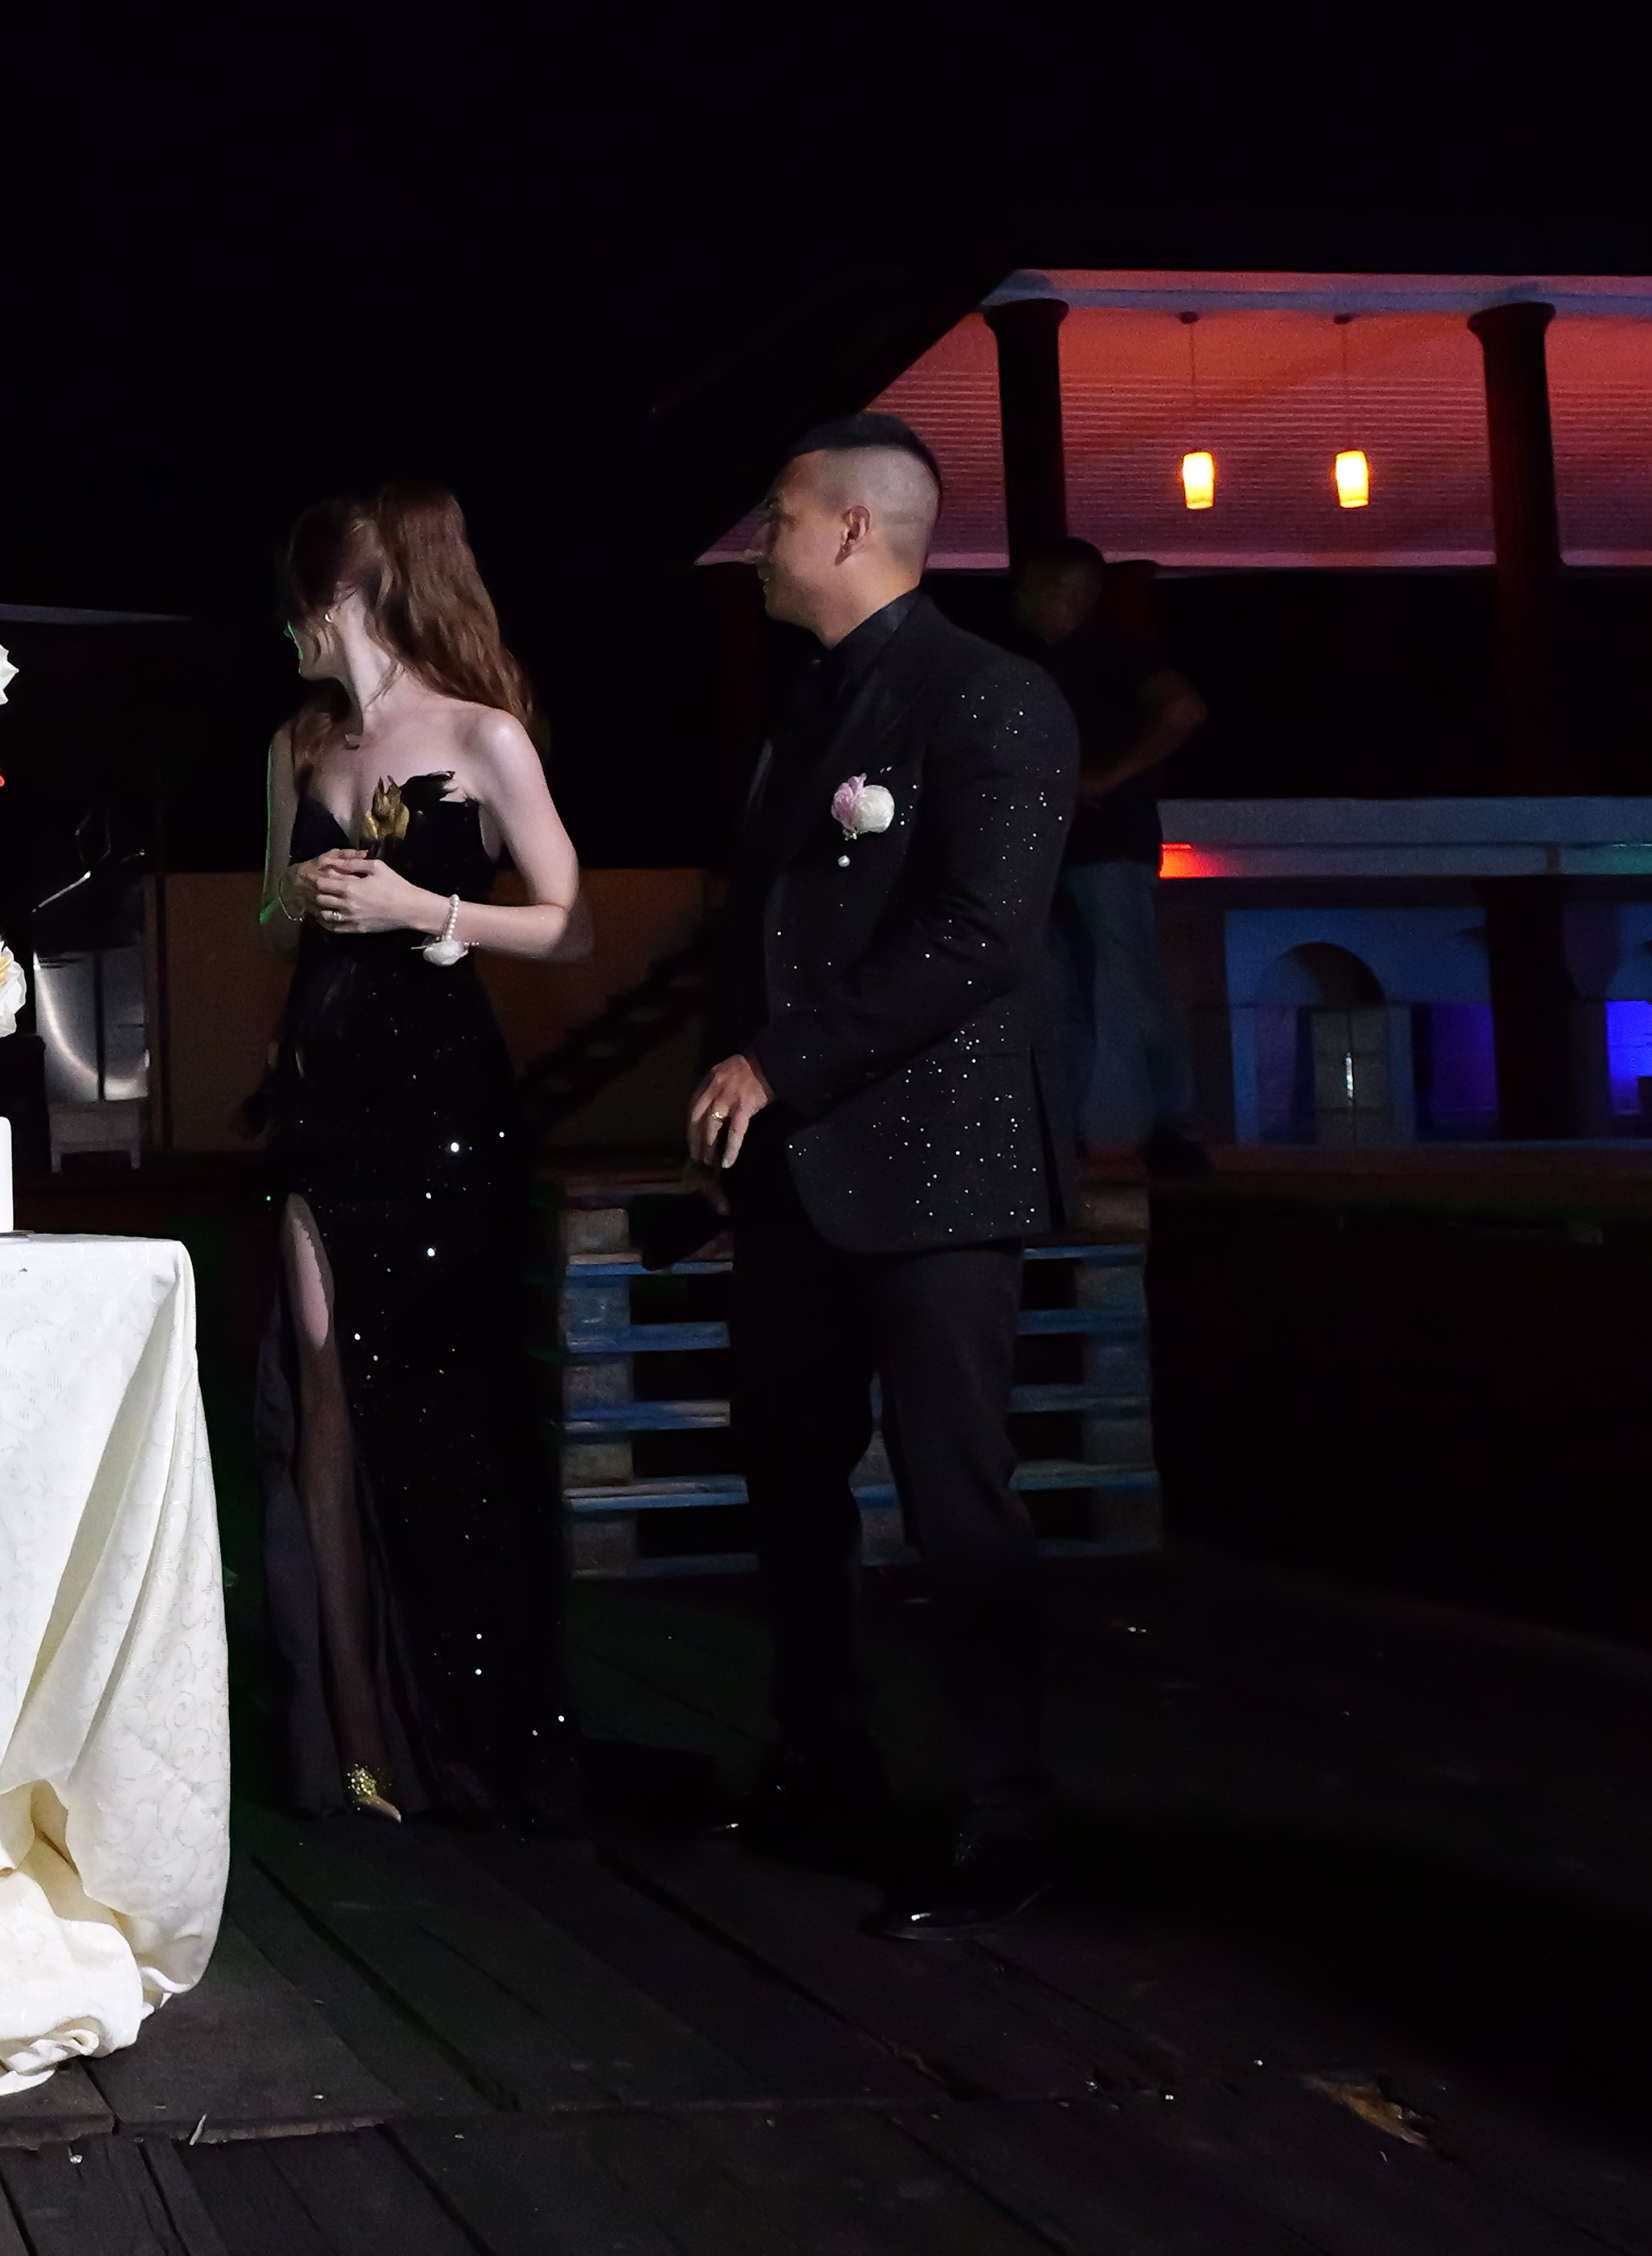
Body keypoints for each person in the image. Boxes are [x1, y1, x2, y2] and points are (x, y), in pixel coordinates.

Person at [689, 413, 1077, 1938]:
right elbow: (758, 936)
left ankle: (1009, 1815)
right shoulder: (804, 708)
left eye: (777, 516)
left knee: (954, 1495)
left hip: (938, 1172)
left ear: (852, 527)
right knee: (788, 1476)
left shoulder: (991, 695)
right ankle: (823, 1757)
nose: (755, 545)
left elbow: (983, 935)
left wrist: (777, 1065)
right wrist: (732, 1117)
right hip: (796, 1171)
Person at [252, 485, 599, 1829]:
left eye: (294, 603)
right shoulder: (298, 744)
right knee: (322, 1385)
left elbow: (567, 922)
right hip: (319, 1085)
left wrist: (425, 905)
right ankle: (352, 1744)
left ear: (338, 597)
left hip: (441, 1092)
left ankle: (467, 1721)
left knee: (440, 1397)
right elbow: (274, 921)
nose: (284, 630)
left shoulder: (481, 734)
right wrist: (301, 896)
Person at [1010, 537, 1212, 1177]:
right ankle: (1072, 1132)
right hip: (1065, 850)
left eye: (1031, 588)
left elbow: (1185, 708)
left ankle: (1166, 1126)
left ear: (1062, 592)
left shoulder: (1110, 657)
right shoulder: (1052, 662)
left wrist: (1109, 776)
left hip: (1099, 847)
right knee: (1068, 994)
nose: (1021, 600)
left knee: (1113, 986)